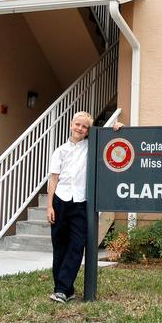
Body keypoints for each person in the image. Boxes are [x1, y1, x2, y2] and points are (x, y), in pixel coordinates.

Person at [46, 111, 122, 303]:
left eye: (84, 126)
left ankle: (62, 290)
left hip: (81, 203)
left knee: (77, 245)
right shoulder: (60, 151)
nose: (80, 128)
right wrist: (49, 207)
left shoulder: (92, 146)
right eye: (77, 124)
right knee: (60, 247)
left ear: (88, 130)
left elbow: (112, 142)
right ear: (71, 124)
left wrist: (117, 130)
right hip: (60, 202)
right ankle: (65, 290)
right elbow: (53, 179)